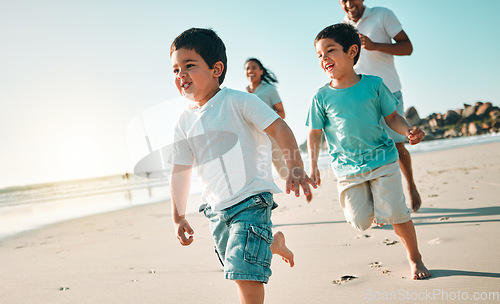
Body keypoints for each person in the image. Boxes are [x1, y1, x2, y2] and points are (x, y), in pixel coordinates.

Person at [169, 28, 316, 303]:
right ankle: (272, 243)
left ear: (216, 69)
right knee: (234, 261)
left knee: (244, 272)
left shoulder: (238, 101)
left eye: (189, 66)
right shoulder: (183, 123)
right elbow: (180, 170)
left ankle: (264, 243)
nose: (181, 75)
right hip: (215, 210)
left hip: (251, 200)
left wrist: (295, 166)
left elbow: (280, 128)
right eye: (175, 70)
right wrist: (177, 215)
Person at [307, 23, 430, 280]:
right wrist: (313, 165)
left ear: (352, 51)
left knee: (397, 214)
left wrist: (408, 131)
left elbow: (393, 117)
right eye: (319, 55)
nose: (324, 58)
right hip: (348, 170)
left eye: (330, 51)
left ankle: (415, 258)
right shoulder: (321, 97)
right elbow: (315, 133)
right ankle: (377, 207)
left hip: (383, 161)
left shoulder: (374, 85)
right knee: (360, 221)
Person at [338, 0, 422, 212]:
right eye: (343, 0)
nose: (349, 3)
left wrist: (375, 45)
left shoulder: (382, 14)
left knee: (397, 144)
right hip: (359, 96)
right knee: (368, 151)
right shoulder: (342, 27)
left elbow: (408, 47)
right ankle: (377, 204)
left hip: (389, 89)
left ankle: (411, 186)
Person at [245, 58, 288, 180]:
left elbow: (282, 113)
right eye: (247, 68)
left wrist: (264, 119)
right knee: (257, 176)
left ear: (261, 71)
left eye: (254, 68)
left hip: (271, 136)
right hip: (252, 139)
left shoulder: (269, 89)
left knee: (283, 172)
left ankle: (304, 189)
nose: (250, 71)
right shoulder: (245, 94)